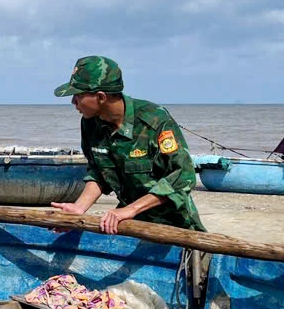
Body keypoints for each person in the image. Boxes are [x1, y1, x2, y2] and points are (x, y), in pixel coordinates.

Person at [50, 55, 205, 233]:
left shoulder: (154, 120)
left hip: (175, 226)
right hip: (129, 225)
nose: (73, 102)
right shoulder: (90, 123)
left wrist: (131, 209)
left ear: (100, 97)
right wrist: (79, 207)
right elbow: (99, 173)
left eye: (78, 95)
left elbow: (182, 177)